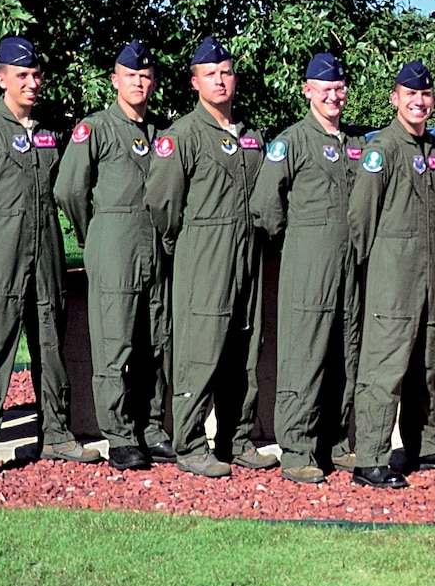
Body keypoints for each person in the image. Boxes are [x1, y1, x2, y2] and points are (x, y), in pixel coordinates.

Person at [0, 36, 94, 477]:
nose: (32, 83)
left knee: (50, 344)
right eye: (22, 75)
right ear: (1, 79)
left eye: (36, 75)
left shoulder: (50, 132)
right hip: (0, 253)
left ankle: (56, 435)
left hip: (45, 252)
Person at [146, 35, 270, 478]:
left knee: (244, 348)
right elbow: (163, 203)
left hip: (247, 255)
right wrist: (181, 246)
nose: (220, 80)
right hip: (204, 252)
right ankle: (191, 444)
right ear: (194, 82)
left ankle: (236, 438)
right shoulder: (182, 136)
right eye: (210, 74)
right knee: (200, 350)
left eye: (226, 72)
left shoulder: (252, 137)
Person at [348, 60, 435, 489]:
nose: (418, 101)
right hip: (393, 271)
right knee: (385, 365)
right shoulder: (382, 150)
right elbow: (360, 219)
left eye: (425, 94)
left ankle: (424, 445)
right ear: (395, 99)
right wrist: (369, 273)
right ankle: (370, 459)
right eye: (410, 94)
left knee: (427, 361)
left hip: (429, 269)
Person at [55, 40, 173, 471]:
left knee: (156, 342)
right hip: (114, 241)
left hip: (155, 246)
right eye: (130, 75)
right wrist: (95, 232)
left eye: (145, 76)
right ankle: (120, 436)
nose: (138, 82)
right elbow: (69, 189)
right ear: (114, 80)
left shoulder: (163, 132)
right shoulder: (96, 128)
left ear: (153, 83)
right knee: (115, 343)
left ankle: (152, 428)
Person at [251, 53, 367, 485]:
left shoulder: (357, 142)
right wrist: (294, 242)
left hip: (349, 264)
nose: (334, 96)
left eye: (339, 88)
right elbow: (266, 203)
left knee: (345, 351)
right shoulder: (292, 141)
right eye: (325, 89)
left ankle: (335, 443)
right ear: (308, 91)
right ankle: (298, 449)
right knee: (305, 355)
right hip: (308, 260)